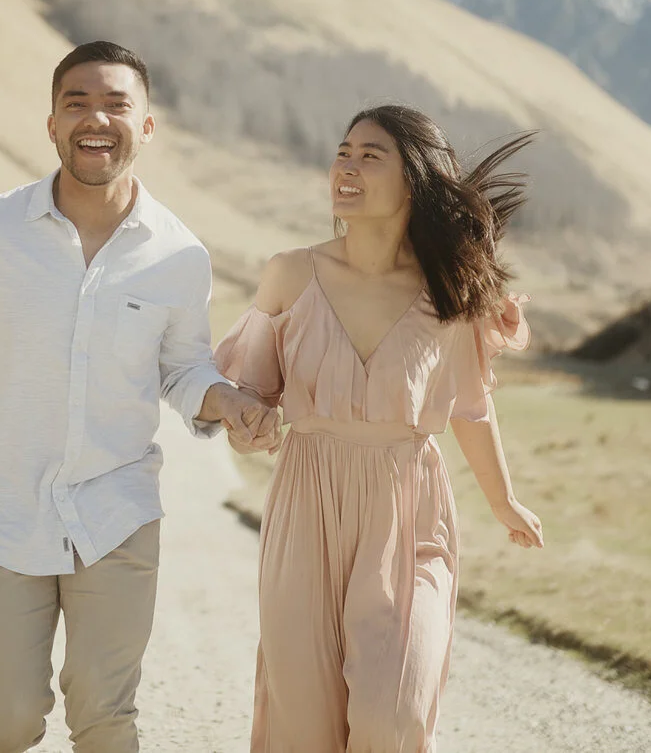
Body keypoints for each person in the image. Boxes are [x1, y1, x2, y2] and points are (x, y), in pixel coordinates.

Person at [0, 41, 281, 753]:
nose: (97, 118)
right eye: (76, 102)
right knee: (10, 719)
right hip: (1, 513)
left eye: (117, 103)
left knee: (105, 717)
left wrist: (227, 401)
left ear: (147, 126)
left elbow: (183, 369)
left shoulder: (179, 254)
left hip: (117, 513)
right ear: (51, 124)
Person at [215, 103, 545, 753]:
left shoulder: (452, 290)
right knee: (302, 724)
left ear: (416, 179)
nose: (348, 165)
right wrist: (244, 421)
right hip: (306, 506)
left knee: (392, 717)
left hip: (410, 511)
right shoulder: (289, 273)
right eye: (343, 151)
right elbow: (247, 391)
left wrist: (504, 501)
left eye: (371, 155)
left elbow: (471, 405)